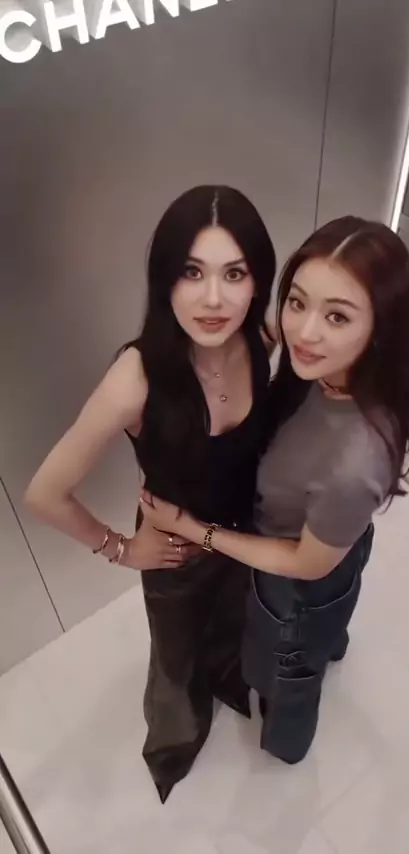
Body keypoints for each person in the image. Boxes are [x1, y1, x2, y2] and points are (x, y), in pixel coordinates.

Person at [139, 215, 409, 765]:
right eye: (297, 302)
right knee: (328, 621)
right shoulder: (330, 372)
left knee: (286, 676)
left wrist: (196, 531)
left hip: (297, 579)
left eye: (337, 316)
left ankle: (287, 746)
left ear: (380, 328)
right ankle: (330, 642)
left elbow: (307, 563)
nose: (305, 332)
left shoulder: (354, 460)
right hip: (334, 540)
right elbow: (271, 333)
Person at [25, 185, 276, 801]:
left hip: (244, 539)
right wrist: (122, 548)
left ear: (257, 281)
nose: (213, 298)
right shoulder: (136, 377)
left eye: (234, 273)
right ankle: (176, 742)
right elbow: (45, 493)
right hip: (175, 559)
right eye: (192, 271)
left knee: (233, 626)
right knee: (174, 665)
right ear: (164, 278)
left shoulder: (261, 339)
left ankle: (230, 681)